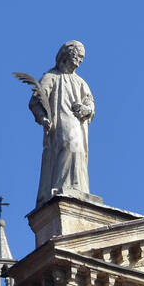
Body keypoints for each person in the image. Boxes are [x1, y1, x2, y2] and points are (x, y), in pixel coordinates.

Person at [30, 40, 95, 206]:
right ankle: (62, 186)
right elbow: (36, 101)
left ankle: (77, 187)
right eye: (79, 56)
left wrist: (86, 109)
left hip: (78, 123)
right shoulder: (50, 77)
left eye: (82, 58)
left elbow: (91, 104)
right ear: (68, 54)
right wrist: (42, 117)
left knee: (78, 152)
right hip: (60, 122)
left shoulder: (81, 83)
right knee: (69, 146)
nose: (80, 61)